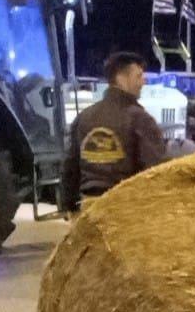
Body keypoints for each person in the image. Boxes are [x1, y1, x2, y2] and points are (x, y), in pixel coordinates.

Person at [63, 52, 166, 211]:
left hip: (88, 209)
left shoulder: (84, 117)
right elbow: (155, 171)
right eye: (138, 76)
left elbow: (71, 168)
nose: (143, 82)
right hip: (124, 211)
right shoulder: (140, 119)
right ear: (121, 78)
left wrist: (69, 206)